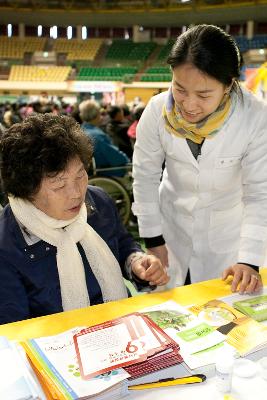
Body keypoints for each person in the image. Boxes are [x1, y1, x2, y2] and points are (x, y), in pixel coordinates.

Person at [132, 24, 267, 295]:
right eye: (180, 89)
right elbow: (145, 177)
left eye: (204, 95)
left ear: (229, 84)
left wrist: (249, 260)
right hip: (172, 230)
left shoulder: (254, 116)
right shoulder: (157, 111)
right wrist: (153, 238)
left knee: (226, 317)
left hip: (229, 238)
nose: (189, 105)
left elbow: (259, 194)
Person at [0, 113, 169, 325]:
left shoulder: (98, 201)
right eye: (59, 185)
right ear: (27, 189)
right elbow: (15, 330)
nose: (76, 193)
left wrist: (137, 262)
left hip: (122, 327)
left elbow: (123, 244)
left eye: (80, 174)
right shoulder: (8, 241)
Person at [79, 99, 130, 177]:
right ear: (97, 115)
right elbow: (117, 158)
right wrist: (127, 160)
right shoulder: (97, 136)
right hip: (106, 172)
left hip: (90, 172)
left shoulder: (82, 130)